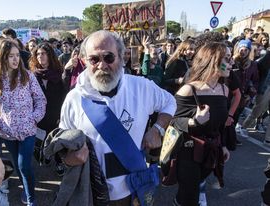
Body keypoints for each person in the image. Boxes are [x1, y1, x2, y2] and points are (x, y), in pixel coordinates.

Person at [59, 30, 177, 205]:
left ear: (122, 58)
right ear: (84, 61)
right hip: (92, 192)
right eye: (94, 59)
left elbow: (170, 102)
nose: (102, 65)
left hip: (133, 189)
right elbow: (62, 144)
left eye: (108, 57)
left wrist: (158, 129)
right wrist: (70, 159)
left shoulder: (140, 87)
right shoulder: (74, 99)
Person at [0, 39, 46, 206]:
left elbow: (40, 99)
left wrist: (34, 118)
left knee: (23, 165)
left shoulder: (27, 75)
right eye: (10, 56)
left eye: (17, 55)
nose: (15, 59)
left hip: (28, 130)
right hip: (6, 133)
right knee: (19, 167)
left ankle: (31, 200)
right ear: (0, 57)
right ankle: (27, 191)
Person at [171, 42, 231, 206]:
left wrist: (223, 146)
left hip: (210, 150)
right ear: (213, 60)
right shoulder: (189, 90)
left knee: (193, 189)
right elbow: (171, 121)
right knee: (190, 196)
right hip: (188, 151)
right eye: (227, 58)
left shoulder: (224, 90)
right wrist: (194, 121)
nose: (231, 63)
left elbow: (221, 124)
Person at [29, 42, 67, 176]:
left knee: (56, 140)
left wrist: (61, 115)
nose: (40, 57)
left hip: (55, 114)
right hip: (39, 116)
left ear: (50, 55)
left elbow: (64, 96)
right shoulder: (32, 75)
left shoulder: (59, 73)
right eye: (38, 54)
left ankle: (59, 162)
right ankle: (45, 154)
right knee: (41, 140)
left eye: (43, 54)